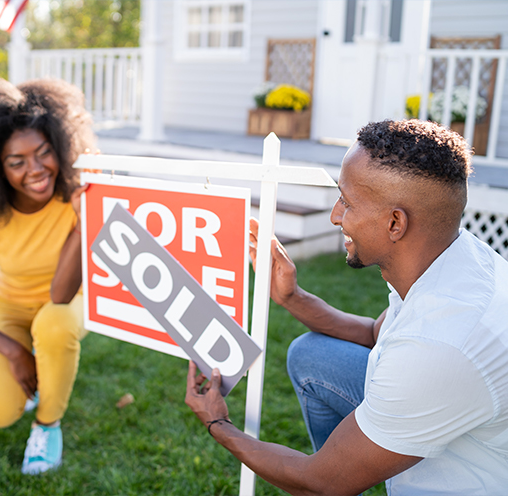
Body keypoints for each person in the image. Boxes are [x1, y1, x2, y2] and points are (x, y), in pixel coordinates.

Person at [185, 119, 508, 495]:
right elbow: (376, 333)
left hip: (462, 480)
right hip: (442, 406)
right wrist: (292, 297)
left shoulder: (440, 343)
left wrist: (218, 425)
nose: (336, 215)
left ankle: (357, 464)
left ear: (394, 223)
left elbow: (318, 482)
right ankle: (360, 457)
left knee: (334, 476)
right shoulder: (453, 256)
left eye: (347, 202)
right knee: (311, 355)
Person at [0, 76, 95, 475]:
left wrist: (82, 224)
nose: (36, 169)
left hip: (67, 301)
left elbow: (61, 295)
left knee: (55, 324)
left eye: (44, 152)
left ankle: (48, 425)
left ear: (60, 145)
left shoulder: (76, 196)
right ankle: (35, 376)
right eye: (17, 162)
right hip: (8, 305)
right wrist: (13, 351)